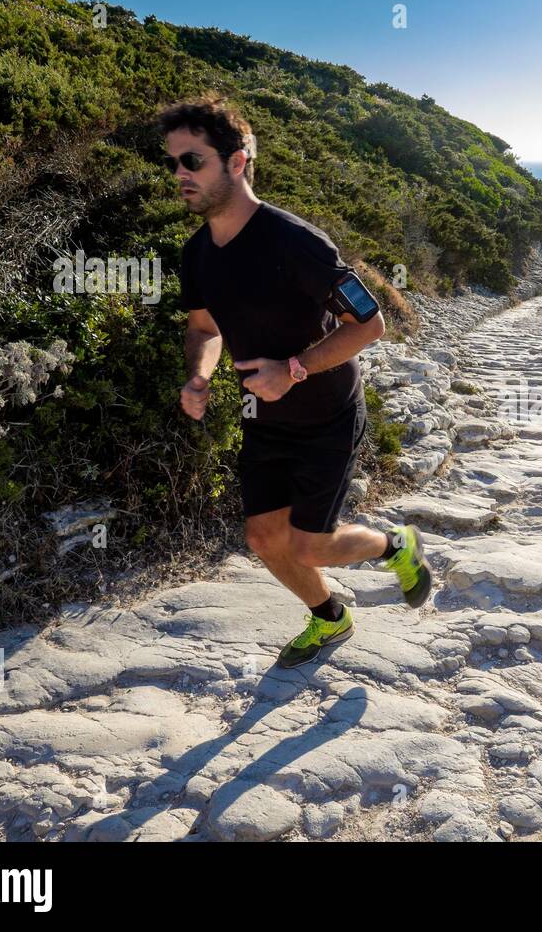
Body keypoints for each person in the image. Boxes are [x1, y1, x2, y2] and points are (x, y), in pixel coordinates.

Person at [161, 95, 432, 669]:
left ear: (236, 163)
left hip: (327, 413)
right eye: (174, 163)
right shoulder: (197, 253)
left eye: (193, 160)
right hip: (263, 417)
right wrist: (199, 376)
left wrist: (293, 370)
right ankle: (330, 619)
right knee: (263, 539)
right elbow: (204, 326)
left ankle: (396, 545)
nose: (180, 175)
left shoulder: (296, 242)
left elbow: (371, 324)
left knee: (309, 543)